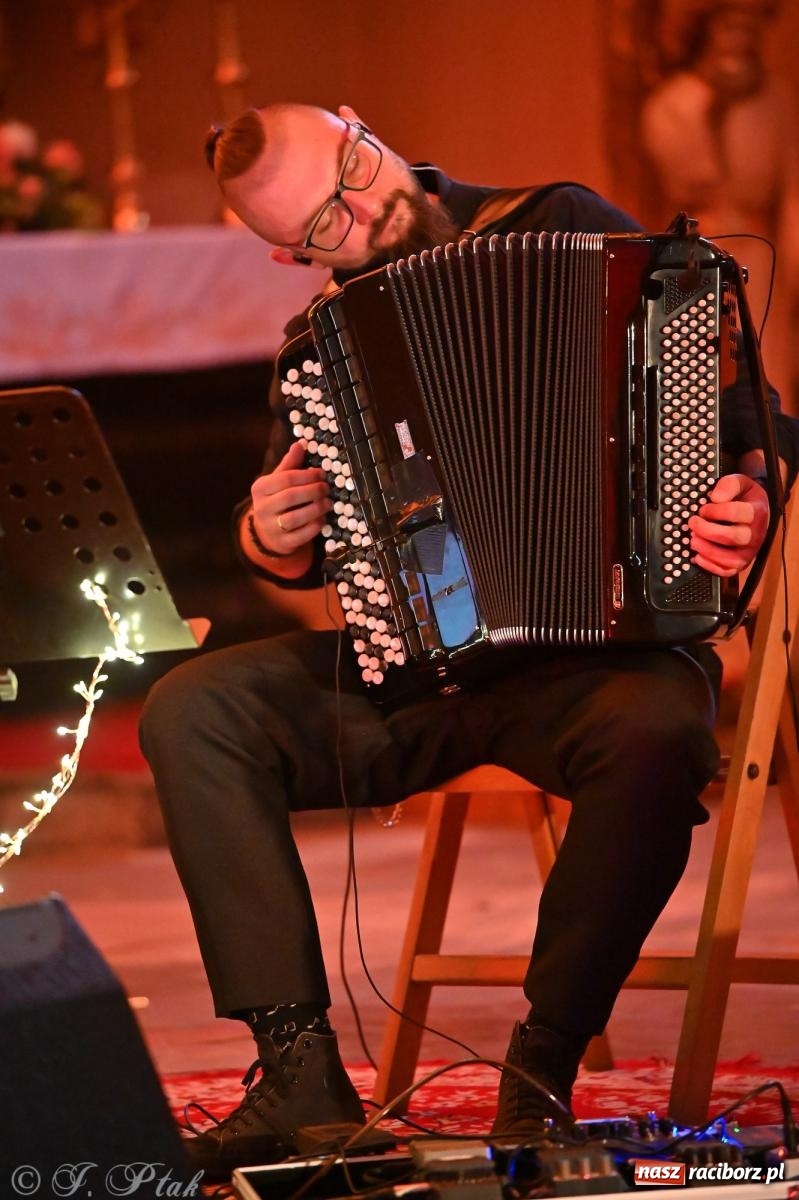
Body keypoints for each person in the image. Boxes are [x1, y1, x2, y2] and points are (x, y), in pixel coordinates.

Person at [139, 102, 799, 1180]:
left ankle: (536, 1083)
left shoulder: (565, 224)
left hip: (603, 663)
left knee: (658, 733)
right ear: (284, 251)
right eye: (320, 226)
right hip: (420, 679)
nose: (358, 207)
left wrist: (752, 491)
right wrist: (270, 535)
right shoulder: (322, 344)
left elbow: (746, 412)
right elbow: (300, 544)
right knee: (195, 709)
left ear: (362, 125)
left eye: (352, 169)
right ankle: (298, 1073)